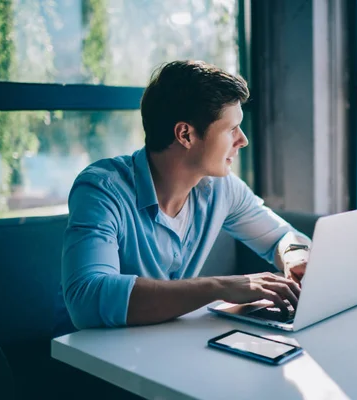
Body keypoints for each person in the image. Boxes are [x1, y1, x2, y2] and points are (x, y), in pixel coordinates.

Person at [58, 60, 311, 331]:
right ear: (185, 134)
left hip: (173, 348)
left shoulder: (221, 188)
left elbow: (281, 237)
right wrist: (219, 287)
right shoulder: (102, 190)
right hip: (100, 359)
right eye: (231, 129)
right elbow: (86, 298)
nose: (243, 140)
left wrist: (294, 255)